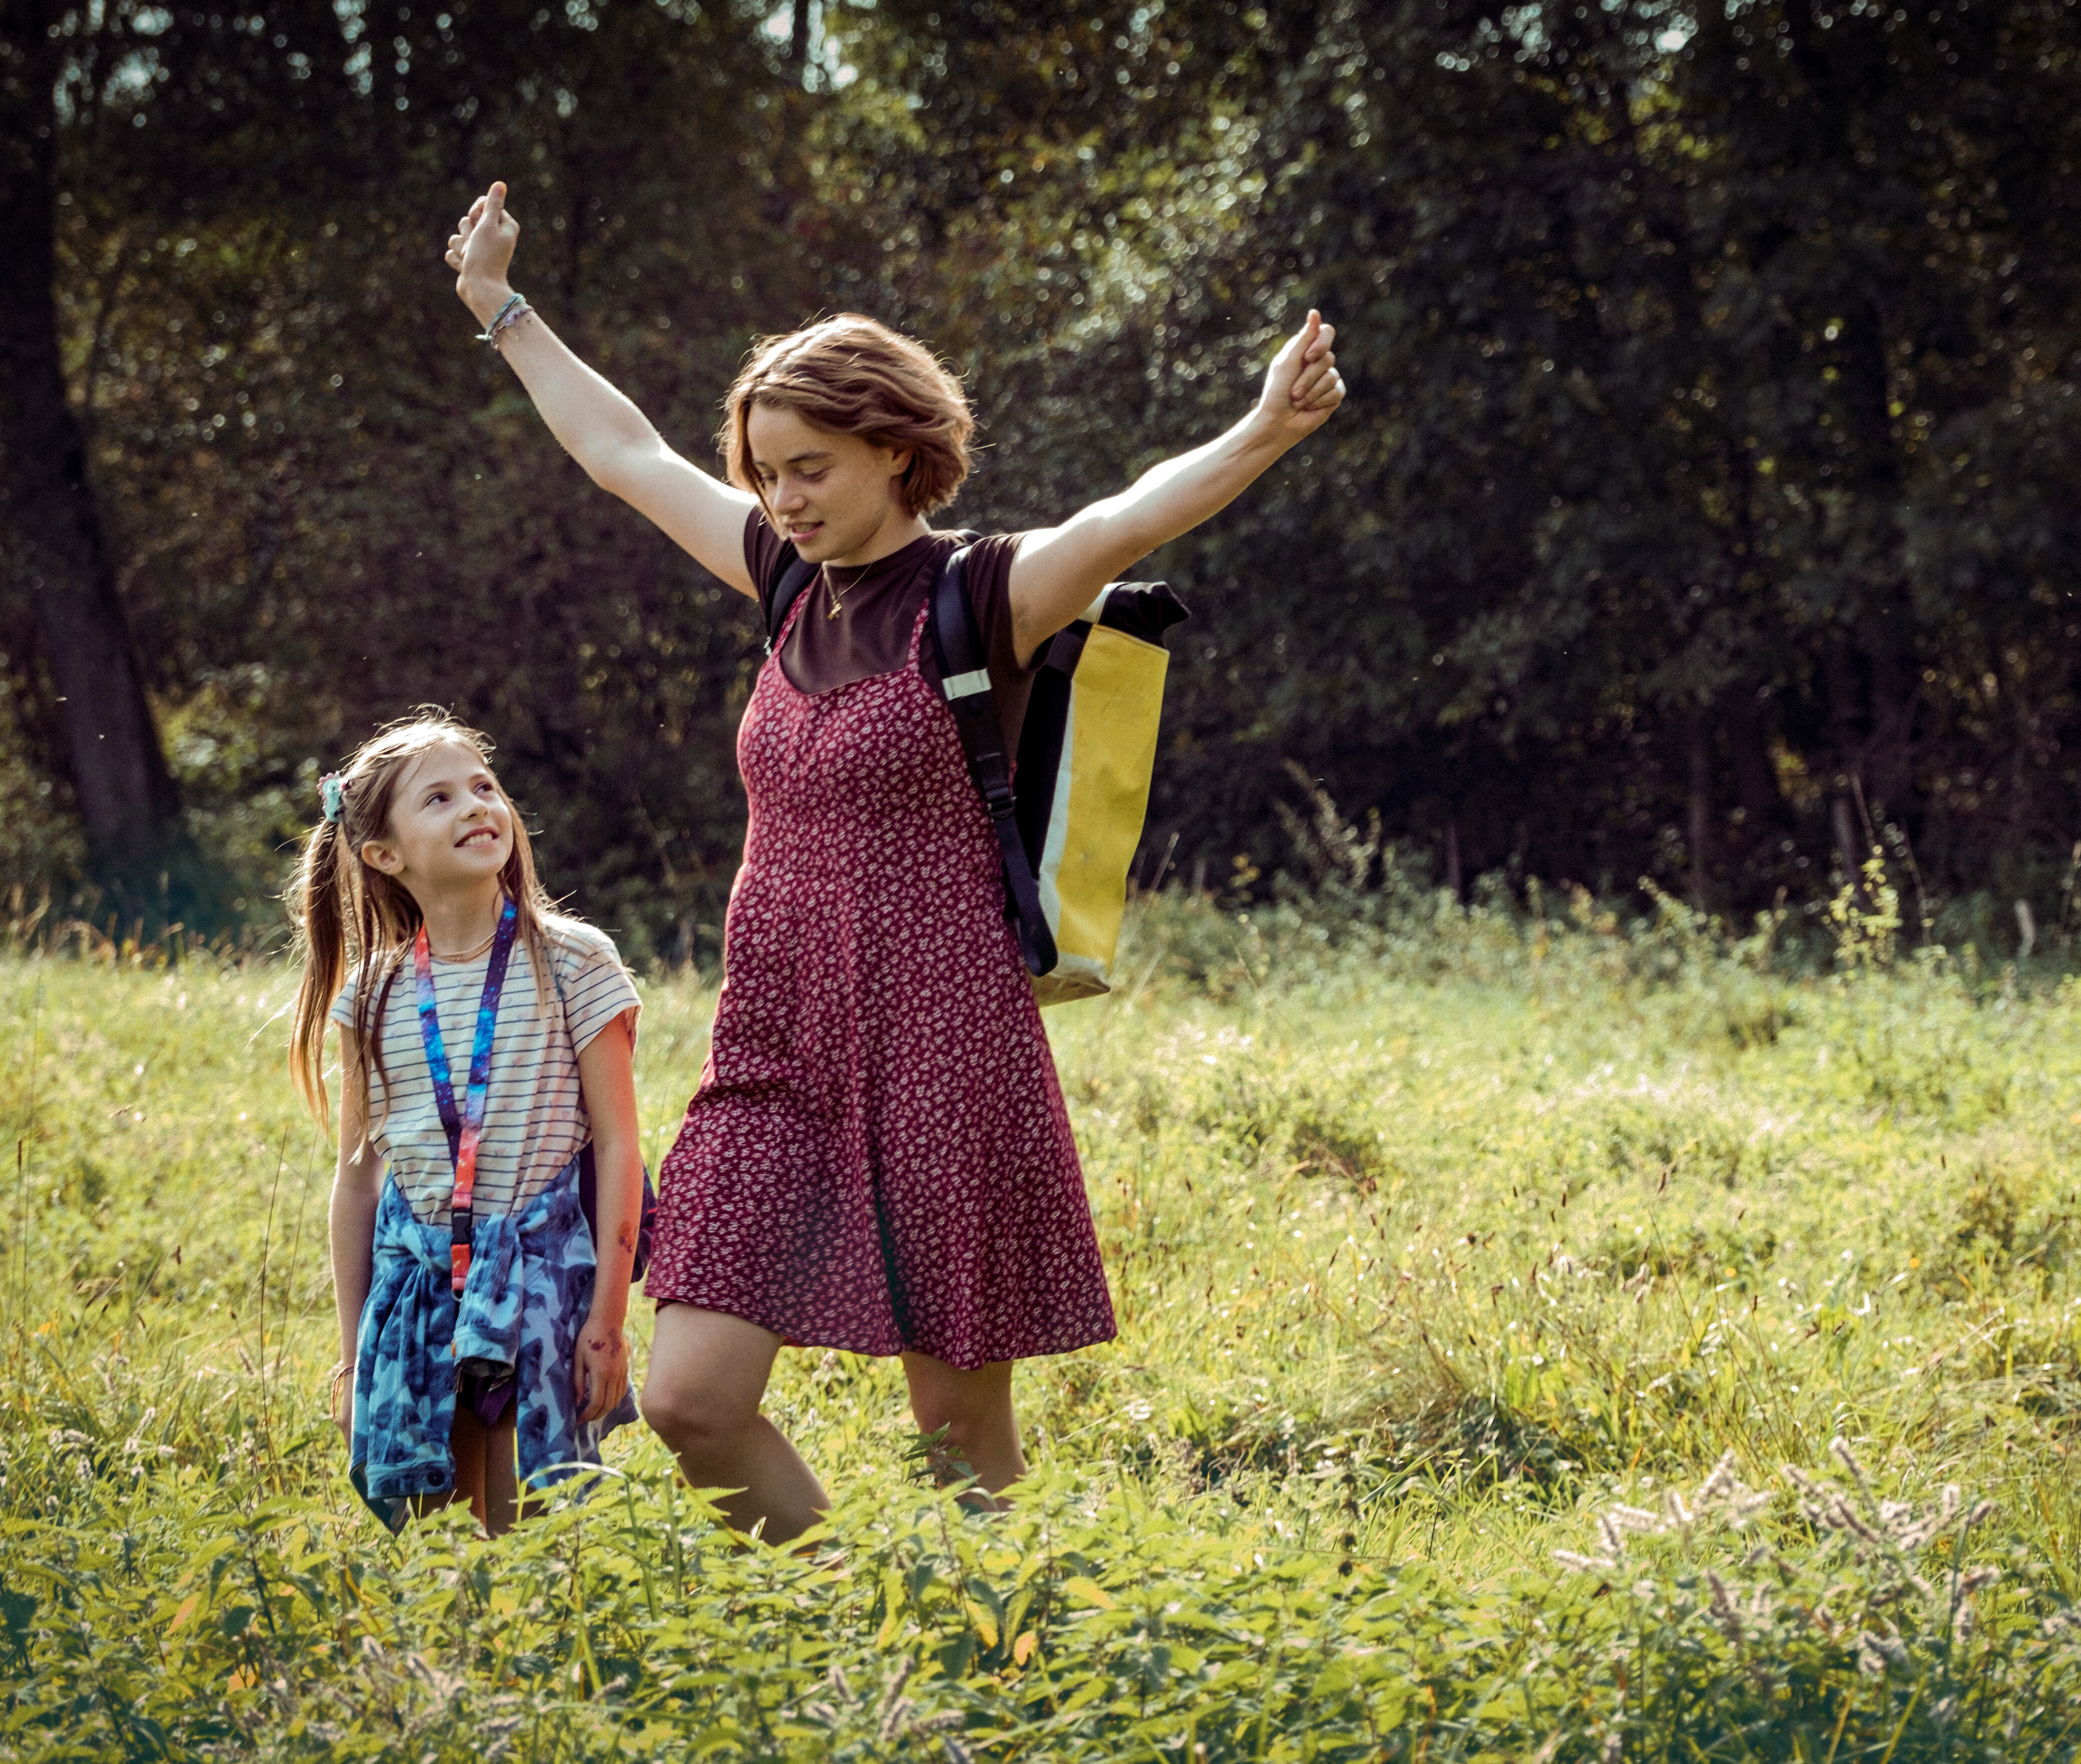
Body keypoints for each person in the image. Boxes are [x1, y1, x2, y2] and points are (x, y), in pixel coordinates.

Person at [442, 179, 1346, 1544]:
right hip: (776, 1045)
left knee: (958, 1435)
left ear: (894, 451)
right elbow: (622, 452)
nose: (782, 498)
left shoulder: (980, 593)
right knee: (689, 1397)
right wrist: (502, 310)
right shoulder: (785, 583)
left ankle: (970, 1674)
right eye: (766, 470)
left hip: (943, 1038)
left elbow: (1126, 519)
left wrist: (1265, 428)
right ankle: (848, 1615)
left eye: (811, 467)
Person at [291, 711, 649, 1536]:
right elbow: (356, 1181)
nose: (477, 807)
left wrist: (607, 1319)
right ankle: (452, 1668)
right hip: (416, 1293)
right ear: (384, 855)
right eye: (441, 798)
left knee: (527, 1528)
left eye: (485, 788)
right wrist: (352, 1357)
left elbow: (622, 1145)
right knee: (435, 1538)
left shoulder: (574, 960)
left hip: (539, 1285)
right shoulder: (372, 996)